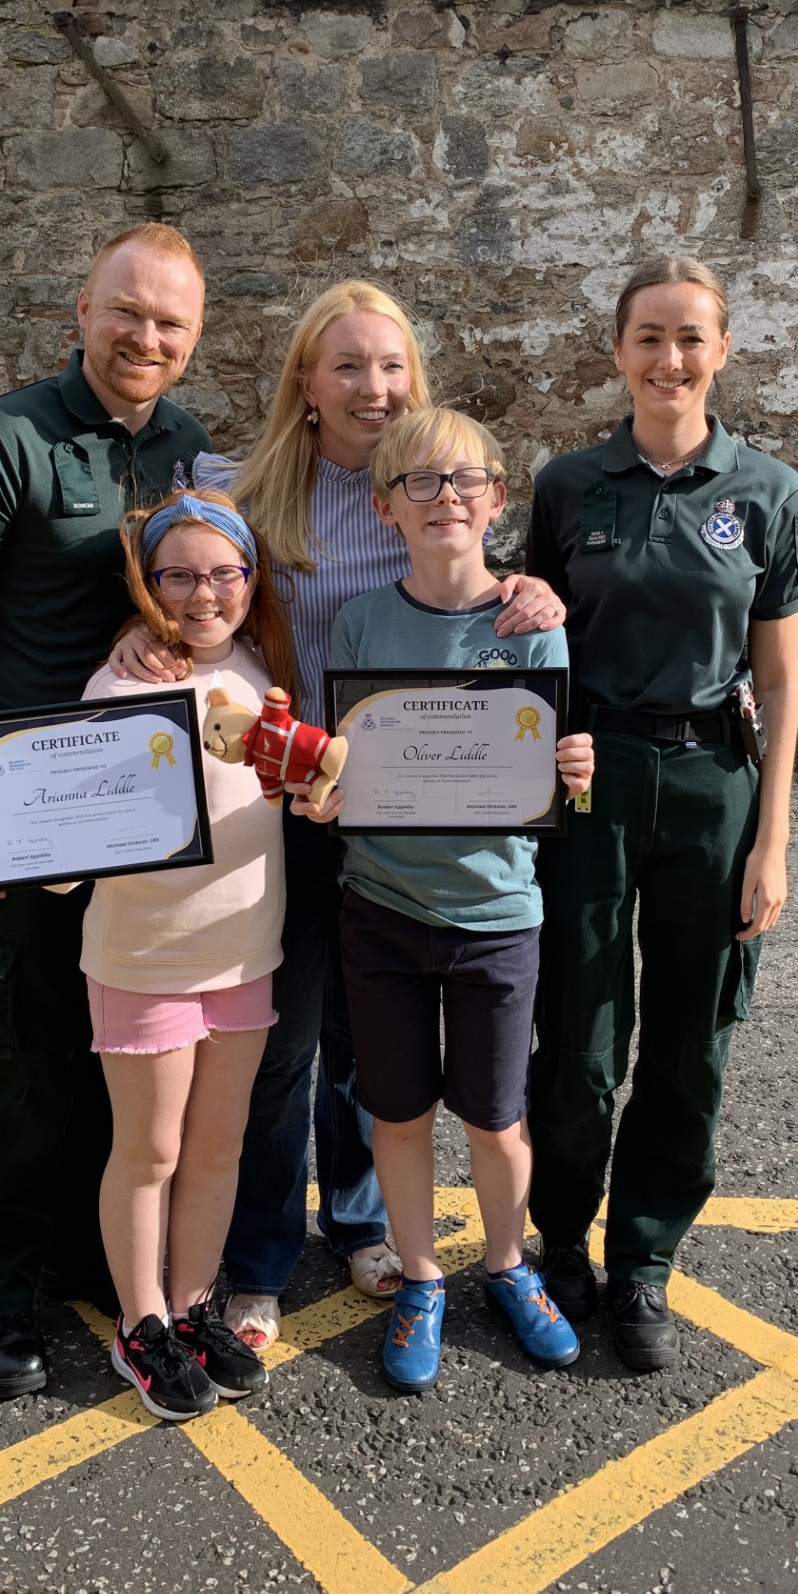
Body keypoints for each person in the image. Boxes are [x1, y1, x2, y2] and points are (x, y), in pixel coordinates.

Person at [116, 281, 564, 1352]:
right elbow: (184, 578)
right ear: (307, 386)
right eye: (350, 366)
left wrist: (532, 590)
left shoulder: (429, 484)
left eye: (392, 365)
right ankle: (263, 1256)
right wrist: (144, 637)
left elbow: (475, 594)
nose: (375, 386)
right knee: (278, 1045)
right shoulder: (243, 486)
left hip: (399, 814)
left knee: (372, 1048)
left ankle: (363, 1224)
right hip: (276, 805)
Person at [0, 223, 211, 1399]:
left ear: (191, 342)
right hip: (31, 810)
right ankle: (0, 1284)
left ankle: (87, 1254)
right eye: (126, 311)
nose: (145, 336)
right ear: (81, 308)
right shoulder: (5, 438)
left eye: (169, 323)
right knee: (21, 1054)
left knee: (117, 1048)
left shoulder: (187, 448)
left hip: (146, 815)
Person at [0, 488, 292, 1421]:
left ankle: (191, 1305)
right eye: (179, 575)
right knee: (150, 1151)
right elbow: (74, 841)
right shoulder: (122, 685)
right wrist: (3, 846)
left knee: (217, 1148)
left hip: (248, 951)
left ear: (253, 580)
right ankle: (142, 1324)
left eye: (225, 574)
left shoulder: (266, 670)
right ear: (148, 583)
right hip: (143, 958)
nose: (204, 594)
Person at [524, 255, 798, 1375]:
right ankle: (561, 1242)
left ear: (722, 352)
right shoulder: (565, 486)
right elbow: (531, 644)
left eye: (690, 338)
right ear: (618, 353)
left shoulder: (767, 492)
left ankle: (645, 1254)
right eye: (649, 337)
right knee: (581, 1035)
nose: (669, 359)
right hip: (590, 779)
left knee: (692, 1039)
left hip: (712, 782)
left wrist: (773, 842)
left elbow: (779, 680)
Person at [303, 408, 595, 1392]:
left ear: (497, 499)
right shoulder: (360, 623)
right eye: (418, 483)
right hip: (380, 906)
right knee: (396, 1111)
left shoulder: (531, 625)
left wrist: (579, 774)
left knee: (496, 1117)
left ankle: (507, 1264)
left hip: (497, 914)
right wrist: (326, 791)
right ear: (386, 507)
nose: (444, 499)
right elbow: (342, 753)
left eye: (465, 480)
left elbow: (557, 783)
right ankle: (422, 1274)